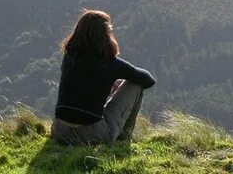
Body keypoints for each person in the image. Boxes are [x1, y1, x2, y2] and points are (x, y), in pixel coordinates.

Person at [51, 10, 155, 145]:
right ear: (105, 34)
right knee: (135, 84)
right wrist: (121, 78)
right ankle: (123, 138)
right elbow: (148, 79)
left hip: (60, 132)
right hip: (93, 134)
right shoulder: (110, 63)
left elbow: (85, 81)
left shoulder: (69, 57)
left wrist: (109, 81)